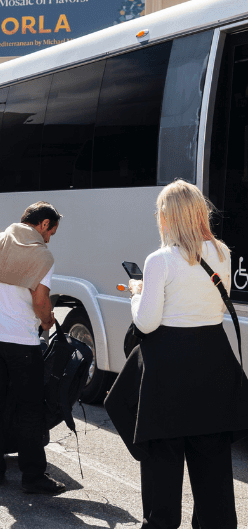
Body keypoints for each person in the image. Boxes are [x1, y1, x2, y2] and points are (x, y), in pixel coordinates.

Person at [106, 180, 248, 529]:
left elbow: (149, 322)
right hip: (213, 361)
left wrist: (137, 294)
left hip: (168, 368)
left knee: (162, 468)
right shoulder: (222, 253)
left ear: (167, 216)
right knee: (213, 467)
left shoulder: (160, 260)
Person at [0, 202, 66, 495]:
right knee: (29, 410)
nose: (50, 239)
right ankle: (32, 476)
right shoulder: (42, 255)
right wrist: (47, 321)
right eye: (51, 232)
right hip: (22, 341)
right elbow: (40, 302)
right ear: (43, 224)